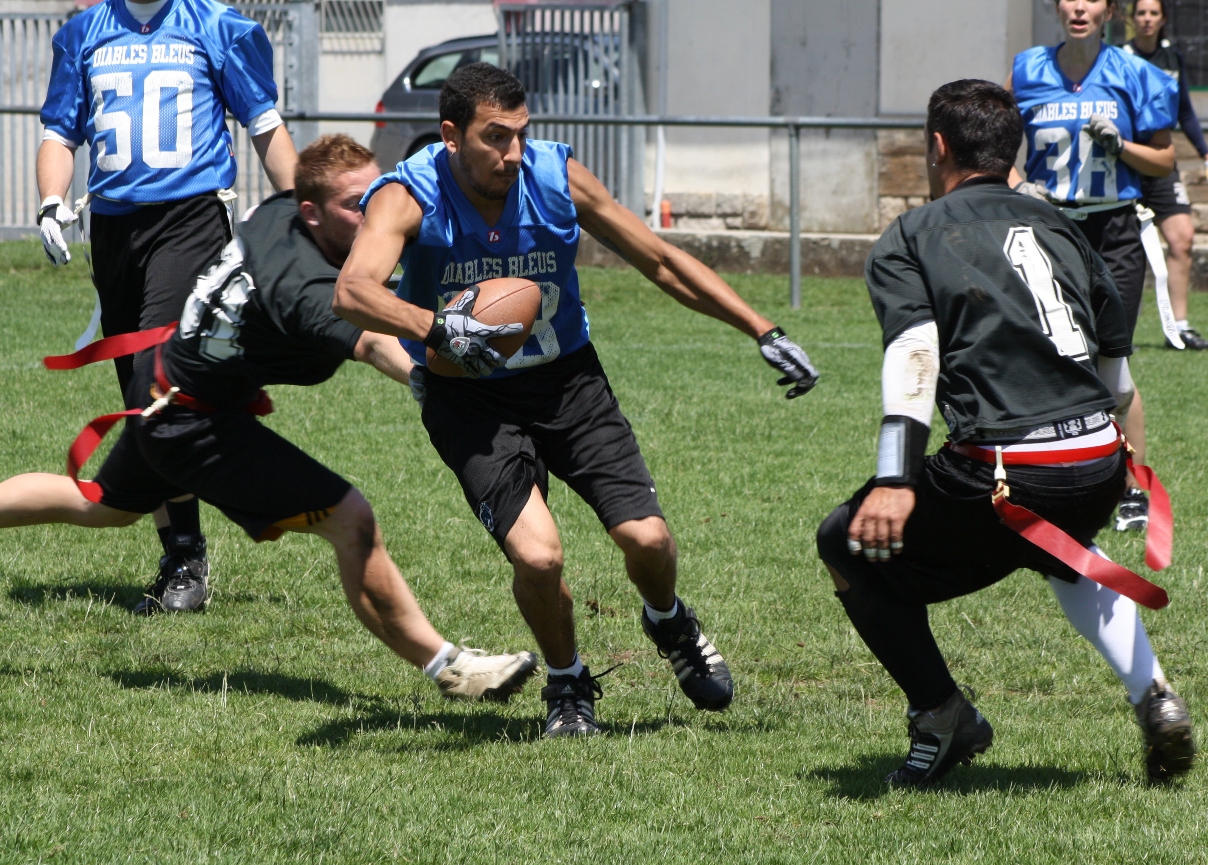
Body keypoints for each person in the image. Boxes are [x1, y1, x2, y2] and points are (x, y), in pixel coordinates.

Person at [333, 63, 820, 737]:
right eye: (495, 138)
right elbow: (353, 290)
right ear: (452, 135)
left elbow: (658, 258)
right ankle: (568, 682)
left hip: (569, 382)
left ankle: (669, 619)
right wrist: (438, 329)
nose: (512, 154)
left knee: (646, 538)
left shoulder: (556, 177)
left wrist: (760, 327)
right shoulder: (408, 193)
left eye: (521, 136)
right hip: (469, 399)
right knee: (538, 556)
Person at [1, 134, 539, 703]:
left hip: (165, 383)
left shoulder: (286, 209)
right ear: (312, 211)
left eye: (375, 196)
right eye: (355, 206)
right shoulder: (306, 288)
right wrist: (439, 374)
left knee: (102, 505)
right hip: (192, 422)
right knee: (351, 520)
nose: (373, 212)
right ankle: (451, 667)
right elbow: (374, 342)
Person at [816, 79, 1193, 787]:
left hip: (1010, 475)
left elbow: (914, 355)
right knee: (1064, 548)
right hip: (1096, 461)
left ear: (936, 147)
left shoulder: (912, 236)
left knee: (845, 541)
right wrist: (1113, 460)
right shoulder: (1062, 227)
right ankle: (1155, 694)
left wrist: (895, 479)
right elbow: (1116, 374)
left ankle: (941, 713)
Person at [36, 0, 300, 614]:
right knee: (138, 387)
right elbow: (58, 132)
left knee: (156, 378)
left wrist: (303, 208)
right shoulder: (83, 32)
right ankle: (181, 546)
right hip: (114, 230)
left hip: (191, 219)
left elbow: (264, 124)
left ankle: (185, 555)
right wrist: (53, 200)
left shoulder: (216, 24)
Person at [1007, 0, 1178, 534]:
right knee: (1047, 356)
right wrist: (1019, 189)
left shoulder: (1136, 72)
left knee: (1113, 362)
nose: (1079, 6)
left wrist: (1119, 145)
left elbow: (1165, 158)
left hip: (1113, 231)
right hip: (1050, 229)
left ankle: (1133, 487)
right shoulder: (1027, 68)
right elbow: (999, 151)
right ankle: (1048, 478)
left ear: (1110, 10)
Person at [1124, 0, 1208, 350]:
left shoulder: (1173, 59)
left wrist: (1204, 152)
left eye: (1153, 13)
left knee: (1182, 237)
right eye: (1141, 13)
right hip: (1124, 162)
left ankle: (1181, 327)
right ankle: (1106, 329)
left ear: (1162, 19)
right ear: (1131, 19)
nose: (1146, 19)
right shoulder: (1119, 57)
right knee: (1118, 249)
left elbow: (1185, 111)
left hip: (1161, 163)